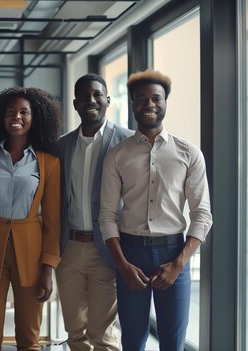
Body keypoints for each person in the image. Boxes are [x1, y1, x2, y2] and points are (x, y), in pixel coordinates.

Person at [99, 70, 213, 350]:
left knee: (172, 343)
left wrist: (178, 263)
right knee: (133, 340)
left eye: (155, 98)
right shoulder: (118, 154)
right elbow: (107, 215)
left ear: (165, 102)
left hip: (174, 252)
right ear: (133, 104)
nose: (149, 104)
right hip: (130, 253)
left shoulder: (189, 153)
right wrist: (122, 265)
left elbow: (202, 215)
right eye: (141, 100)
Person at [0, 87, 61, 351]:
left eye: (25, 111)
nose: (17, 116)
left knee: (29, 339)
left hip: (32, 255)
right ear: (1, 117)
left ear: (35, 118)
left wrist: (48, 268)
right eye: (11, 111)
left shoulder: (48, 163)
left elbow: (53, 222)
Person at [53, 74, 133, 350]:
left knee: (103, 334)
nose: (91, 100)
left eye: (98, 94)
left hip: (108, 249)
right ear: (75, 104)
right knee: (74, 332)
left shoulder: (127, 141)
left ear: (108, 100)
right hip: (69, 249)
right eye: (84, 96)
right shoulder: (61, 145)